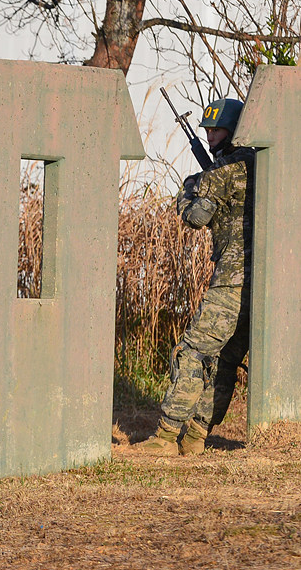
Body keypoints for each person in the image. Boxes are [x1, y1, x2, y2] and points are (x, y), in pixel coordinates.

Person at [138, 97, 255, 456]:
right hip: (262, 285)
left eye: (216, 129)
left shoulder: (223, 173)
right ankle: (195, 437)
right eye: (206, 129)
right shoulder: (259, 165)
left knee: (191, 352)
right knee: (226, 361)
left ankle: (166, 435)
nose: (209, 136)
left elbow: (195, 217)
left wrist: (191, 186)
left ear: (233, 130)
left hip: (231, 283)